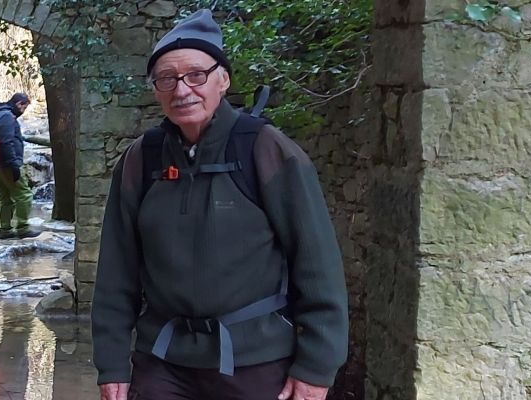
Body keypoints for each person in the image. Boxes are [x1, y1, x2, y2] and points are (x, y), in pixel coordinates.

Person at [92, 9, 349, 400]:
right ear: (156, 89)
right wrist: (111, 365)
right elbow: (116, 271)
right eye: (167, 79)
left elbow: (316, 263)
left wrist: (317, 366)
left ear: (223, 80)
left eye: (196, 75)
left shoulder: (265, 149)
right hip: (163, 362)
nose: (182, 90)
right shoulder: (142, 160)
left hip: (256, 362)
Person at [0, 93, 36, 238]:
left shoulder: (1, 114)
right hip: (7, 163)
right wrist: (14, 164)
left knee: (7, 197)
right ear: (19, 104)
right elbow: (6, 142)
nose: (24, 111)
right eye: (24, 107)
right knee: (24, 195)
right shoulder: (7, 117)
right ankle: (23, 227)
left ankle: (6, 230)